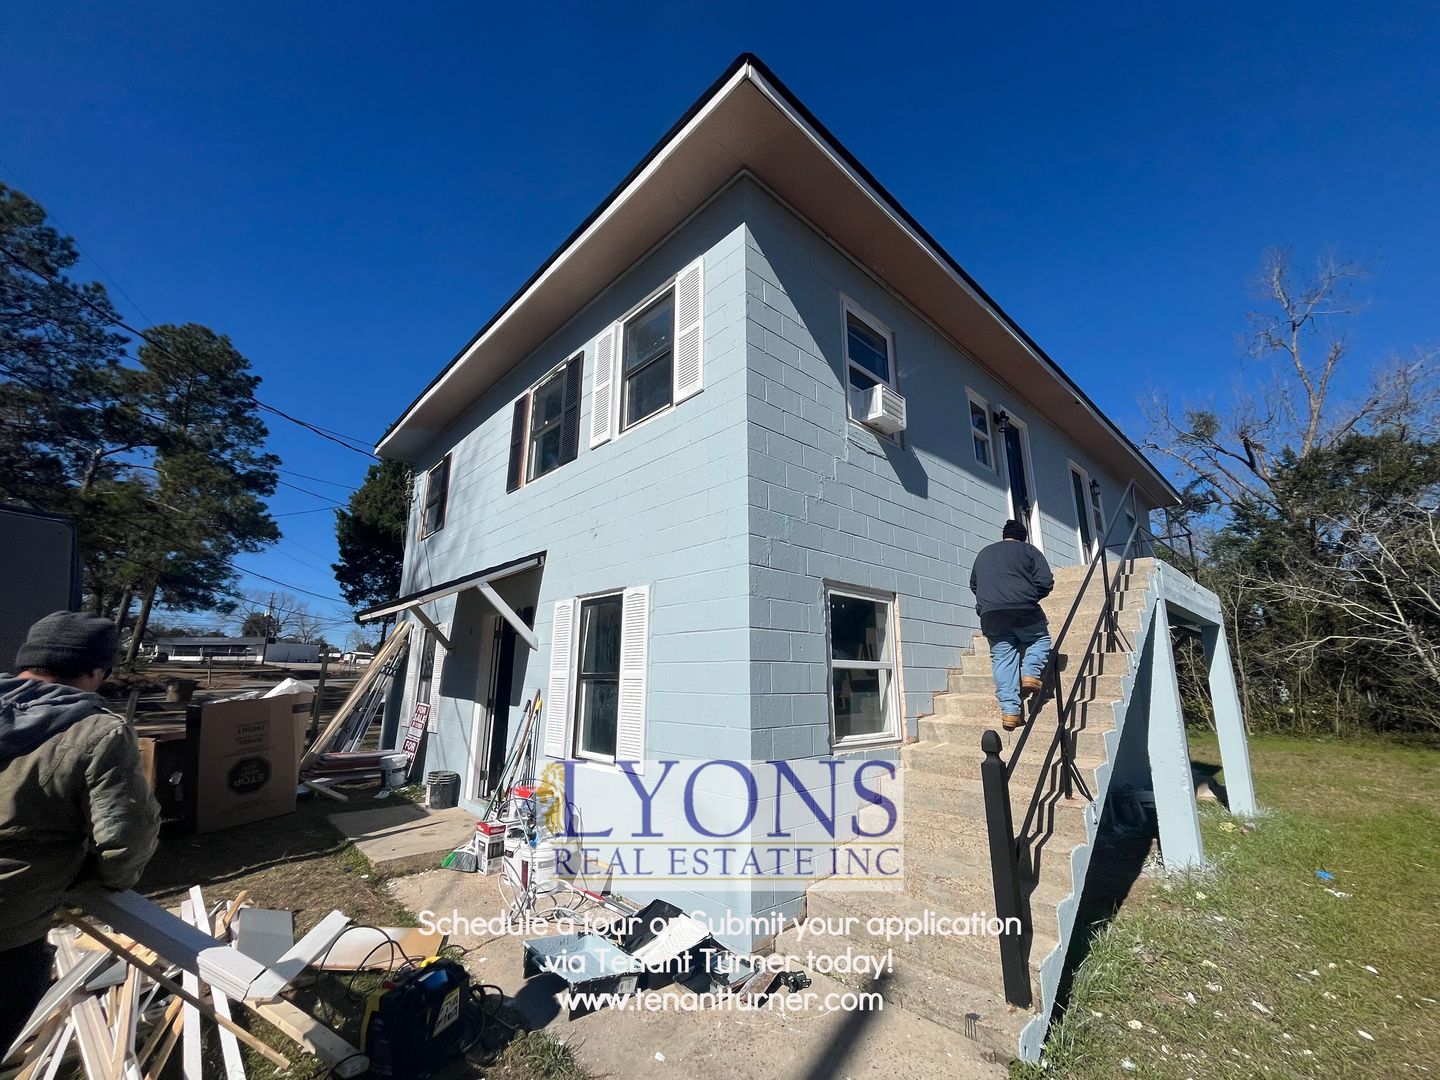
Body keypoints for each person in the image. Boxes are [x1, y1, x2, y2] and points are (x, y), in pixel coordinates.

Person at [0, 612, 161, 1051]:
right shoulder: (96, 730)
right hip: (9, 926)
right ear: (95, 670)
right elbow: (126, 836)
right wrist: (101, 878)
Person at [969, 519, 1055, 731]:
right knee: (1040, 639)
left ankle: (1010, 712)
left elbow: (974, 585)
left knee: (1002, 659)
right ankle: (1030, 673)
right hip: (1024, 611)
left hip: (991, 616)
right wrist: (1028, 596)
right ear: (1023, 537)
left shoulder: (984, 553)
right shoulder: (1029, 551)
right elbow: (1045, 582)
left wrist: (992, 601)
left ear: (1004, 535)